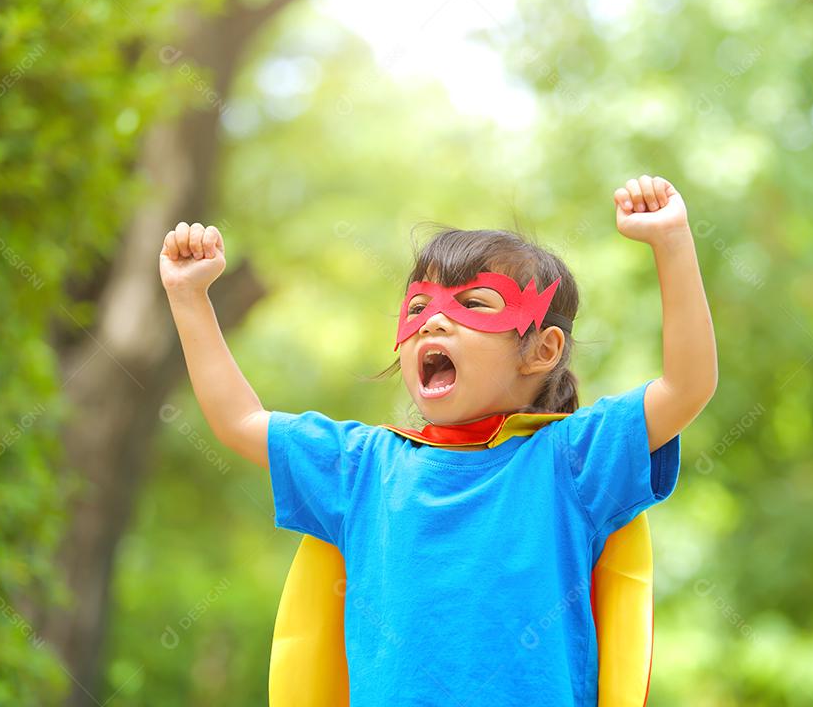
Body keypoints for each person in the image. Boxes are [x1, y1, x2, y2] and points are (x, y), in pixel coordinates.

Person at [159, 174, 718, 706]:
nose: (433, 322)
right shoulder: (361, 468)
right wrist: (189, 297)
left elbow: (687, 386)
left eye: (474, 304)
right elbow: (240, 423)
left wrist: (670, 241)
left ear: (542, 350)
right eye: (419, 307)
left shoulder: (572, 462)